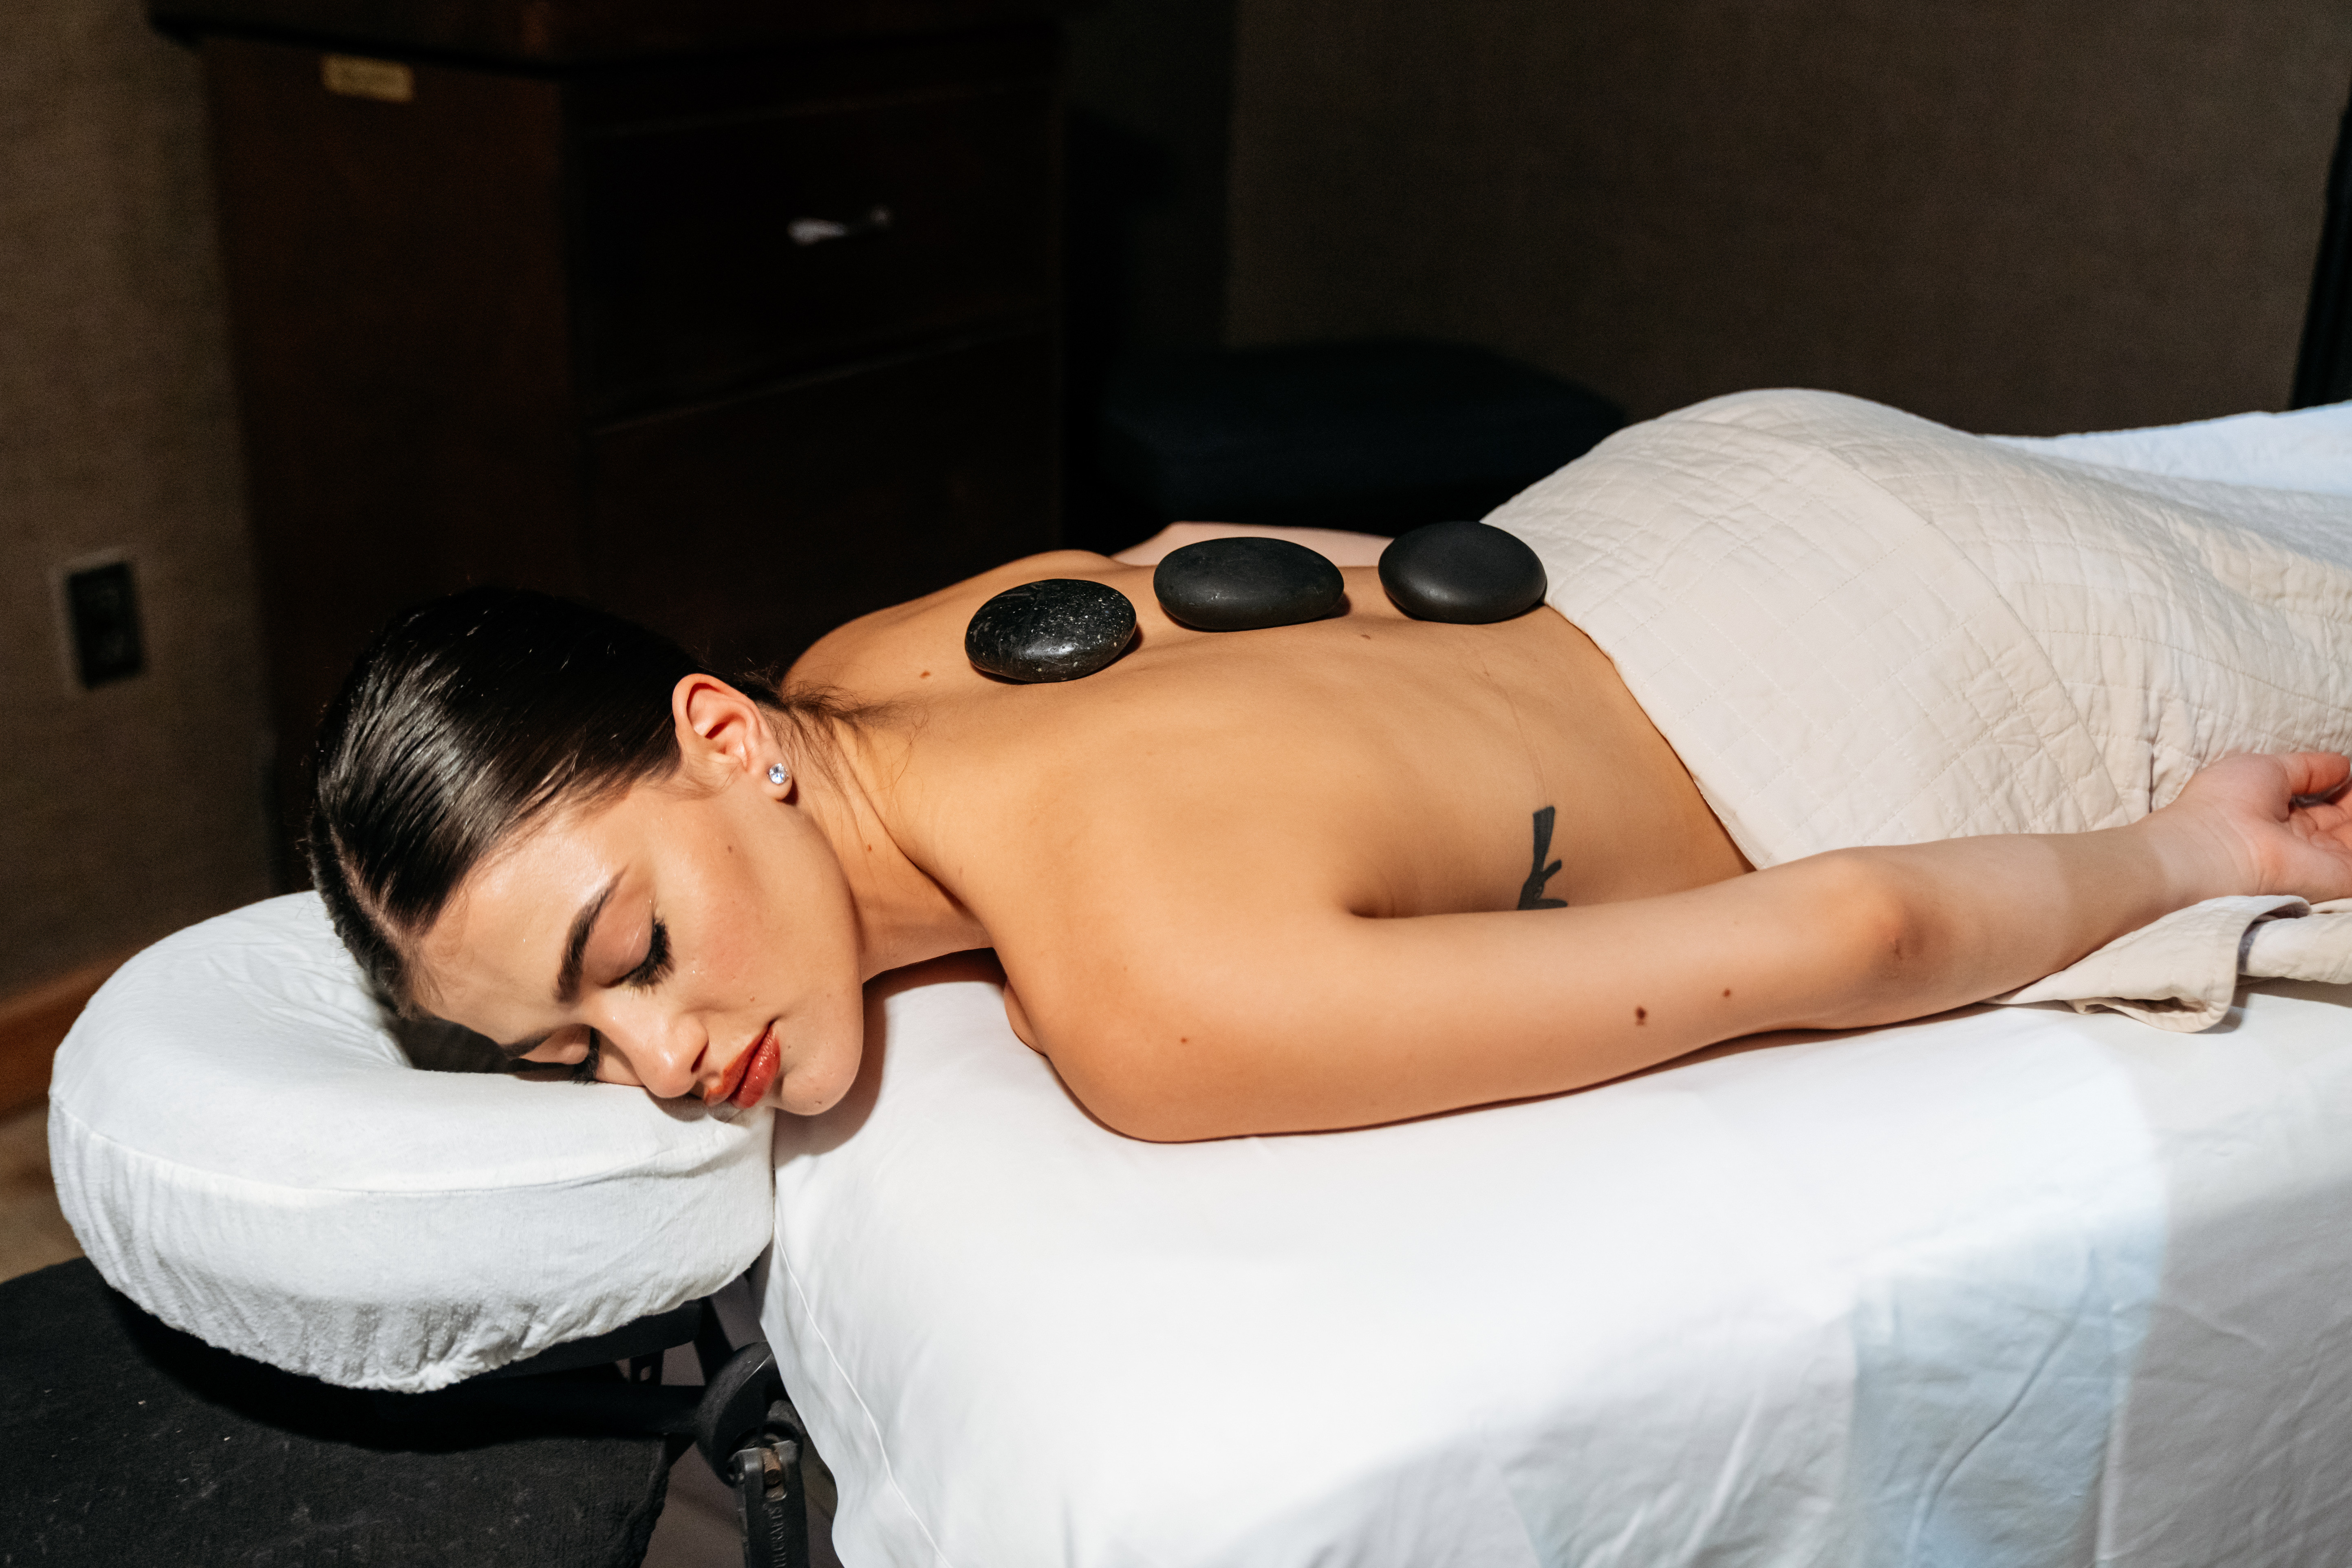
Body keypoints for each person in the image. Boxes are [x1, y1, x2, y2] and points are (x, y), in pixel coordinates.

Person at [308, 522, 2352, 1143]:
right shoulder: (873, 653)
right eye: (569, 1055)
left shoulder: (1144, 999)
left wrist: (2189, 856)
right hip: (1698, 501)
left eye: (630, 958)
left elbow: (1851, 932)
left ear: (719, 734)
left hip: (1884, 661)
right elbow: (1219, 557)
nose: (668, 1072)